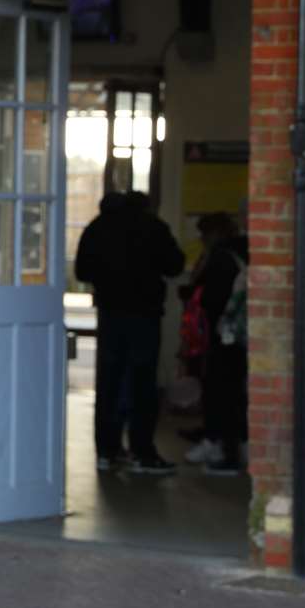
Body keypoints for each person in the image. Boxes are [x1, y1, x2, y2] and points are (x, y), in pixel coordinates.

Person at [74, 190, 185, 474]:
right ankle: (142, 452)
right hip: (144, 314)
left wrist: (107, 277)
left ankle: (107, 451)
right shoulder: (153, 227)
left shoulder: (98, 227)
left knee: (108, 382)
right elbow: (175, 265)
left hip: (111, 313)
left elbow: (82, 271)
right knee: (143, 384)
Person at [188, 214, 250, 474]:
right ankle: (224, 444)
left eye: (204, 234)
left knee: (223, 391)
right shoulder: (242, 252)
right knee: (231, 391)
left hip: (224, 333)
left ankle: (226, 451)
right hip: (237, 334)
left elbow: (208, 293)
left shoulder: (221, 257)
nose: (201, 239)